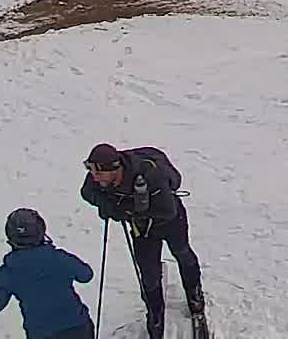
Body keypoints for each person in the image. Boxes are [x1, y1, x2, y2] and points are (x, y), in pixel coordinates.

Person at [81, 143, 206, 339]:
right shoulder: (98, 175)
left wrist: (124, 210)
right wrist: (106, 205)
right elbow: (87, 193)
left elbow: (167, 210)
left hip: (170, 222)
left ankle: (194, 295)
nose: (94, 178)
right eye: (92, 172)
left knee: (182, 253)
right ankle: (155, 310)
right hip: (142, 229)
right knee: (148, 272)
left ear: (114, 169)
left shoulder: (149, 176)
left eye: (98, 174)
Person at [0, 209, 94, 339]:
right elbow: (86, 275)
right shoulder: (59, 258)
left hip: (41, 333)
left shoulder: (9, 271)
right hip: (77, 327)